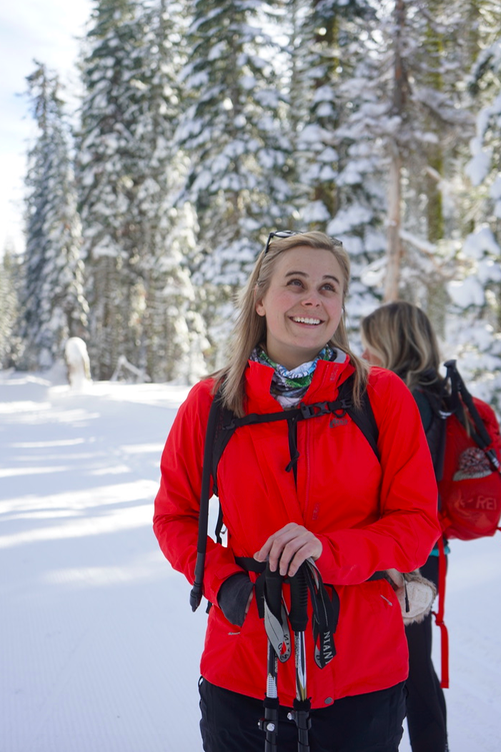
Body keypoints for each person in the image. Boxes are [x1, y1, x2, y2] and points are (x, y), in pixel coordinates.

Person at [153, 231, 441, 752]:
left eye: (329, 286)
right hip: (242, 666)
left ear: (341, 305)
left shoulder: (380, 398)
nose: (314, 298)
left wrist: (327, 552)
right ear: (260, 299)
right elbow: (174, 516)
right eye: (296, 283)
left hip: (363, 673)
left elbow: (418, 523)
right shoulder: (211, 404)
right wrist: (225, 585)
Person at [360, 301, 449, 752]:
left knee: (407, 666)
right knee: (417, 663)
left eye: (370, 341)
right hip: (429, 550)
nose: (363, 351)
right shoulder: (438, 392)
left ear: (390, 342)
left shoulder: (406, 396)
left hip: (409, 554)